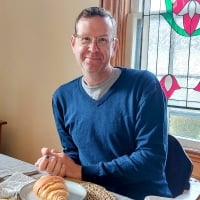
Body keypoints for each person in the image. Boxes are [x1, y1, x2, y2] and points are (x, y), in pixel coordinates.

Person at [35, 6, 172, 200]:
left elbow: (151, 161)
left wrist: (83, 172)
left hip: (142, 195)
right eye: (86, 39)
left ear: (114, 46)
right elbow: (74, 155)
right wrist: (60, 163)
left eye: (102, 40)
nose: (93, 48)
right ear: (73, 43)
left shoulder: (144, 86)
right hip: (92, 193)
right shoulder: (62, 97)